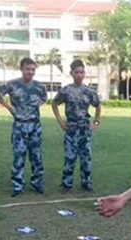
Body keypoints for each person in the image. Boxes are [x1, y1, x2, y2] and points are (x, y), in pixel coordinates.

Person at [0, 58, 48, 197]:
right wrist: (10, 108)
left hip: (35, 126)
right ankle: (18, 185)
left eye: (32, 69)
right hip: (20, 126)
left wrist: (31, 108)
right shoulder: (13, 84)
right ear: (22, 69)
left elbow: (44, 98)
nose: (30, 72)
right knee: (19, 156)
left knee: (36, 156)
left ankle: (37, 183)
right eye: (27, 69)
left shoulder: (39, 86)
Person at [52, 59, 102, 193]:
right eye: (76, 72)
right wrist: (60, 121)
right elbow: (54, 103)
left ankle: (87, 183)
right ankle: (67, 184)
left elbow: (98, 105)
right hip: (71, 129)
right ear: (71, 73)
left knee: (86, 158)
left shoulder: (89, 91)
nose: (79, 75)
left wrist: (96, 122)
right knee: (70, 157)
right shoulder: (66, 90)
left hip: (85, 129)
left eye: (81, 72)